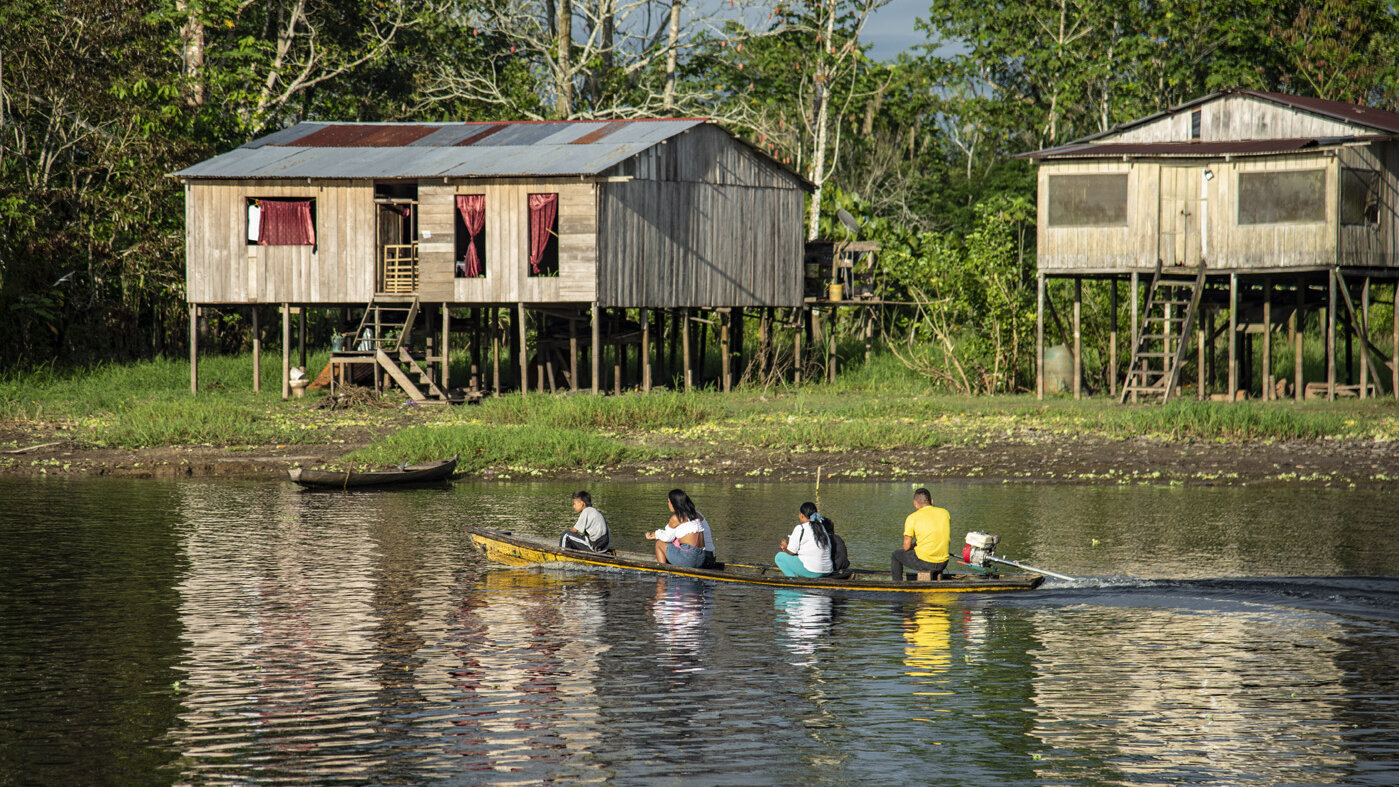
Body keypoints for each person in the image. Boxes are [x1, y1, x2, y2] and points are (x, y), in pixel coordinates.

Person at [891, 487, 950, 581]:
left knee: (896, 555)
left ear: (915, 503)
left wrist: (913, 545)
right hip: (943, 563)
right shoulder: (945, 513)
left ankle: (897, 585)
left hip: (925, 563)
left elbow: (906, 547)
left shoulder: (912, 517)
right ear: (931, 501)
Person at [646, 489, 712, 568]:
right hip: (702, 557)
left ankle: (662, 572)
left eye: (668, 501)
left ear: (674, 503)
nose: (668, 504)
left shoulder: (676, 518)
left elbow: (667, 538)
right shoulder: (696, 514)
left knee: (659, 544)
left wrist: (656, 534)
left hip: (689, 558)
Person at [775, 501, 834, 578]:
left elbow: (791, 552)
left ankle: (791, 579)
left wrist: (785, 548)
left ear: (801, 515)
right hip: (828, 570)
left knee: (779, 557)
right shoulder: (822, 527)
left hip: (813, 571)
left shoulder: (800, 528)